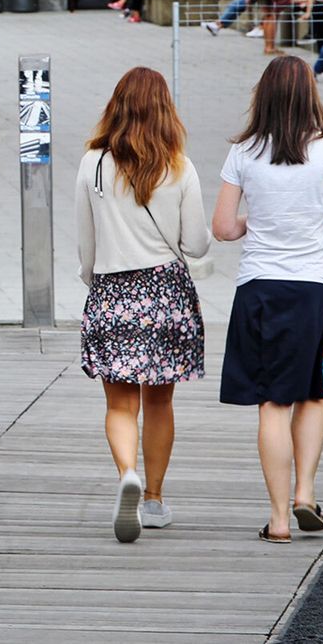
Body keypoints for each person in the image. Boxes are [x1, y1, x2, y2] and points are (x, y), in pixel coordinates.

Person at [212, 56, 323, 545]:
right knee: (313, 394)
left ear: (263, 96)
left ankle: (278, 519)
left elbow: (223, 228)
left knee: (273, 403)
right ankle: (305, 492)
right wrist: (321, 220)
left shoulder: (243, 151)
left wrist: (255, 221)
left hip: (260, 288)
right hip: (317, 289)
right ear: (309, 96)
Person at [77, 67, 210, 543]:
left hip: (112, 289)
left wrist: (96, 280)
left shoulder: (93, 164)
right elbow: (196, 244)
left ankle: (126, 475)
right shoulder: (180, 166)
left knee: (119, 403)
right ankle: (153, 498)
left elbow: (86, 243)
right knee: (159, 401)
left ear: (115, 107)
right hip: (166, 292)